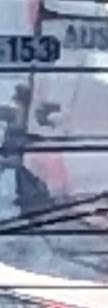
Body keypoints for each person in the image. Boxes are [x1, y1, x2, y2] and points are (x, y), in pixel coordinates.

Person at [0, 83, 53, 213]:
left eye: (19, 101)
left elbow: (26, 160)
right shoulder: (15, 115)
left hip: (37, 197)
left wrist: (4, 162)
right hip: (26, 192)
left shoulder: (37, 128)